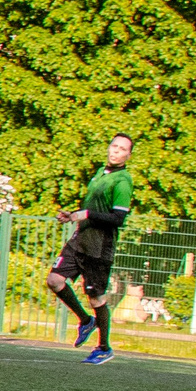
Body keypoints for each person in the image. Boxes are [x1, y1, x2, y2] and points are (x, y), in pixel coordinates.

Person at [47, 135, 133, 363]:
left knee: (96, 298)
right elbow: (91, 208)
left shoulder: (123, 181)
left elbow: (118, 218)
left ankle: (104, 347)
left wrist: (85, 215)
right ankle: (86, 321)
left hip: (98, 248)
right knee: (55, 280)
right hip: (80, 240)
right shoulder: (100, 173)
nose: (116, 151)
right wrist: (72, 214)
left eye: (122, 149)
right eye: (114, 146)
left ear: (128, 155)